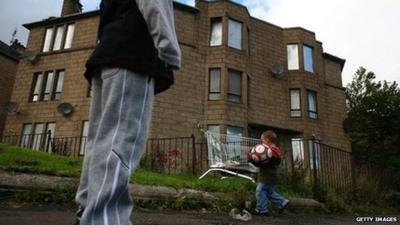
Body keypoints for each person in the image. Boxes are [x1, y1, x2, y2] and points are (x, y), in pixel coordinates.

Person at [74, 1, 181, 225]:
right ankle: (104, 218)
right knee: (121, 141)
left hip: (107, 55)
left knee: (99, 142)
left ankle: (87, 210)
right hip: (133, 55)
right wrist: (169, 50)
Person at [249, 130, 290, 216]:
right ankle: (282, 202)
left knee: (260, 191)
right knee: (269, 193)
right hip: (273, 176)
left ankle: (261, 210)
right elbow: (263, 163)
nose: (262, 143)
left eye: (262, 141)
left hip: (266, 176)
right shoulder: (275, 153)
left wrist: (251, 158)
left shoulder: (268, 153)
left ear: (267, 140)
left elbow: (261, 164)